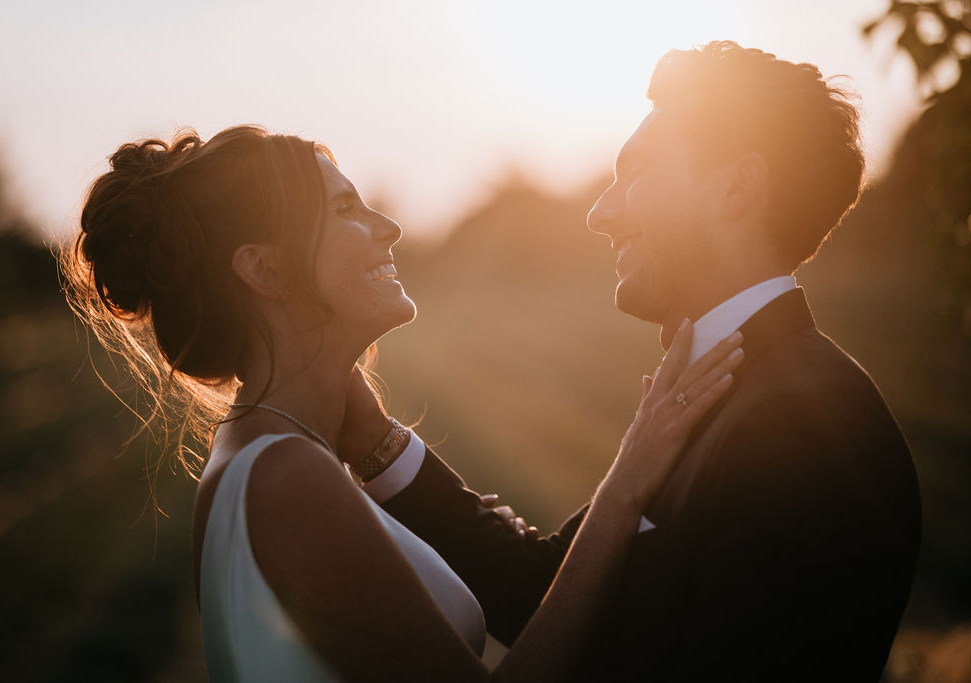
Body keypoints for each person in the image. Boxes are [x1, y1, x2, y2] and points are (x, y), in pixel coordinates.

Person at [62, 124, 745, 681]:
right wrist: (625, 487)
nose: (387, 227)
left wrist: (375, 435)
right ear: (264, 269)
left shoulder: (264, 455)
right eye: (346, 210)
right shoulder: (286, 477)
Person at [348, 41, 922, 680]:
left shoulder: (806, 422)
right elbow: (555, 592)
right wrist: (377, 443)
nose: (601, 212)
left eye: (638, 172)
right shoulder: (711, 391)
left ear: (736, 186)